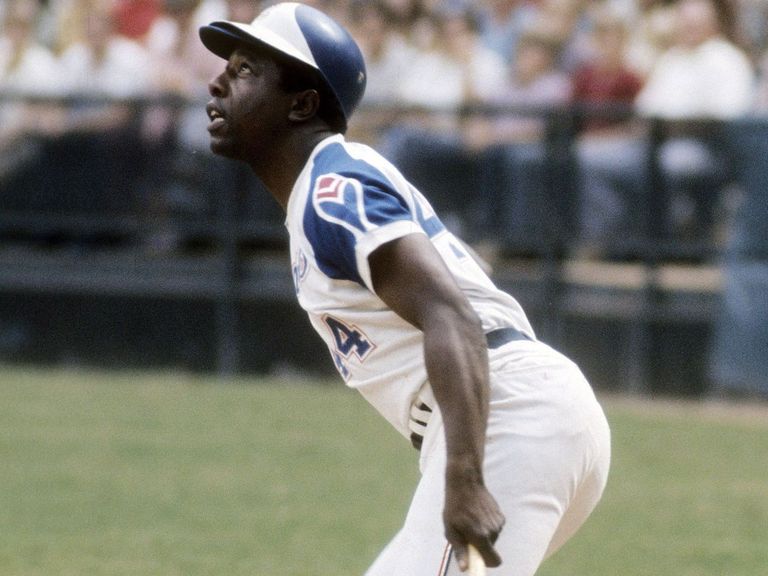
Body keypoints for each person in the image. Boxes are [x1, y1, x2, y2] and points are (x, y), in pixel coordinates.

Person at [198, 3, 611, 575]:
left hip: (509, 416)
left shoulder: (333, 189)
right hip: (518, 413)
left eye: (246, 69)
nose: (218, 80)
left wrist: (465, 479)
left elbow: (452, 316)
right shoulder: (320, 191)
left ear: (302, 103)